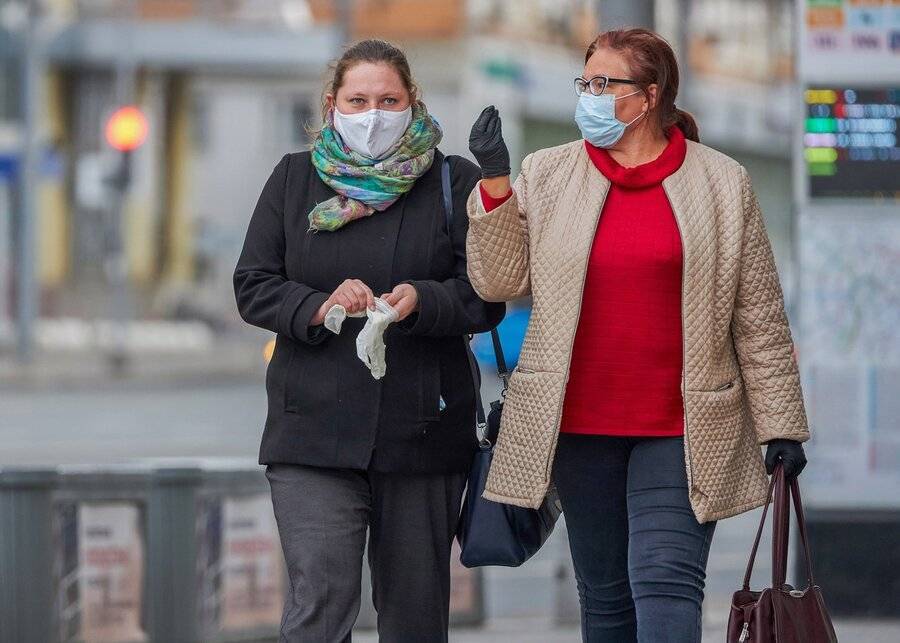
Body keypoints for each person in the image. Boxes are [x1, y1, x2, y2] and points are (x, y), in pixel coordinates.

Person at [464, 28, 810, 643]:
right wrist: (494, 187)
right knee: (606, 598)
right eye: (586, 83)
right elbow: (498, 282)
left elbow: (757, 314)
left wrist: (781, 425)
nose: (590, 96)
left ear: (649, 96)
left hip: (682, 425)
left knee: (666, 581)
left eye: (606, 84)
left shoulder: (722, 183)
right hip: (577, 424)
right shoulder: (548, 173)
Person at [233, 39, 504, 642]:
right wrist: (318, 304)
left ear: (413, 104)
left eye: (389, 99)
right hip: (311, 435)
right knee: (319, 601)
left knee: (414, 615)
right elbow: (253, 285)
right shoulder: (294, 178)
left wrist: (422, 299)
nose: (373, 113)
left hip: (423, 434)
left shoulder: (450, 180)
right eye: (358, 100)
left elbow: (485, 296)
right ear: (332, 105)